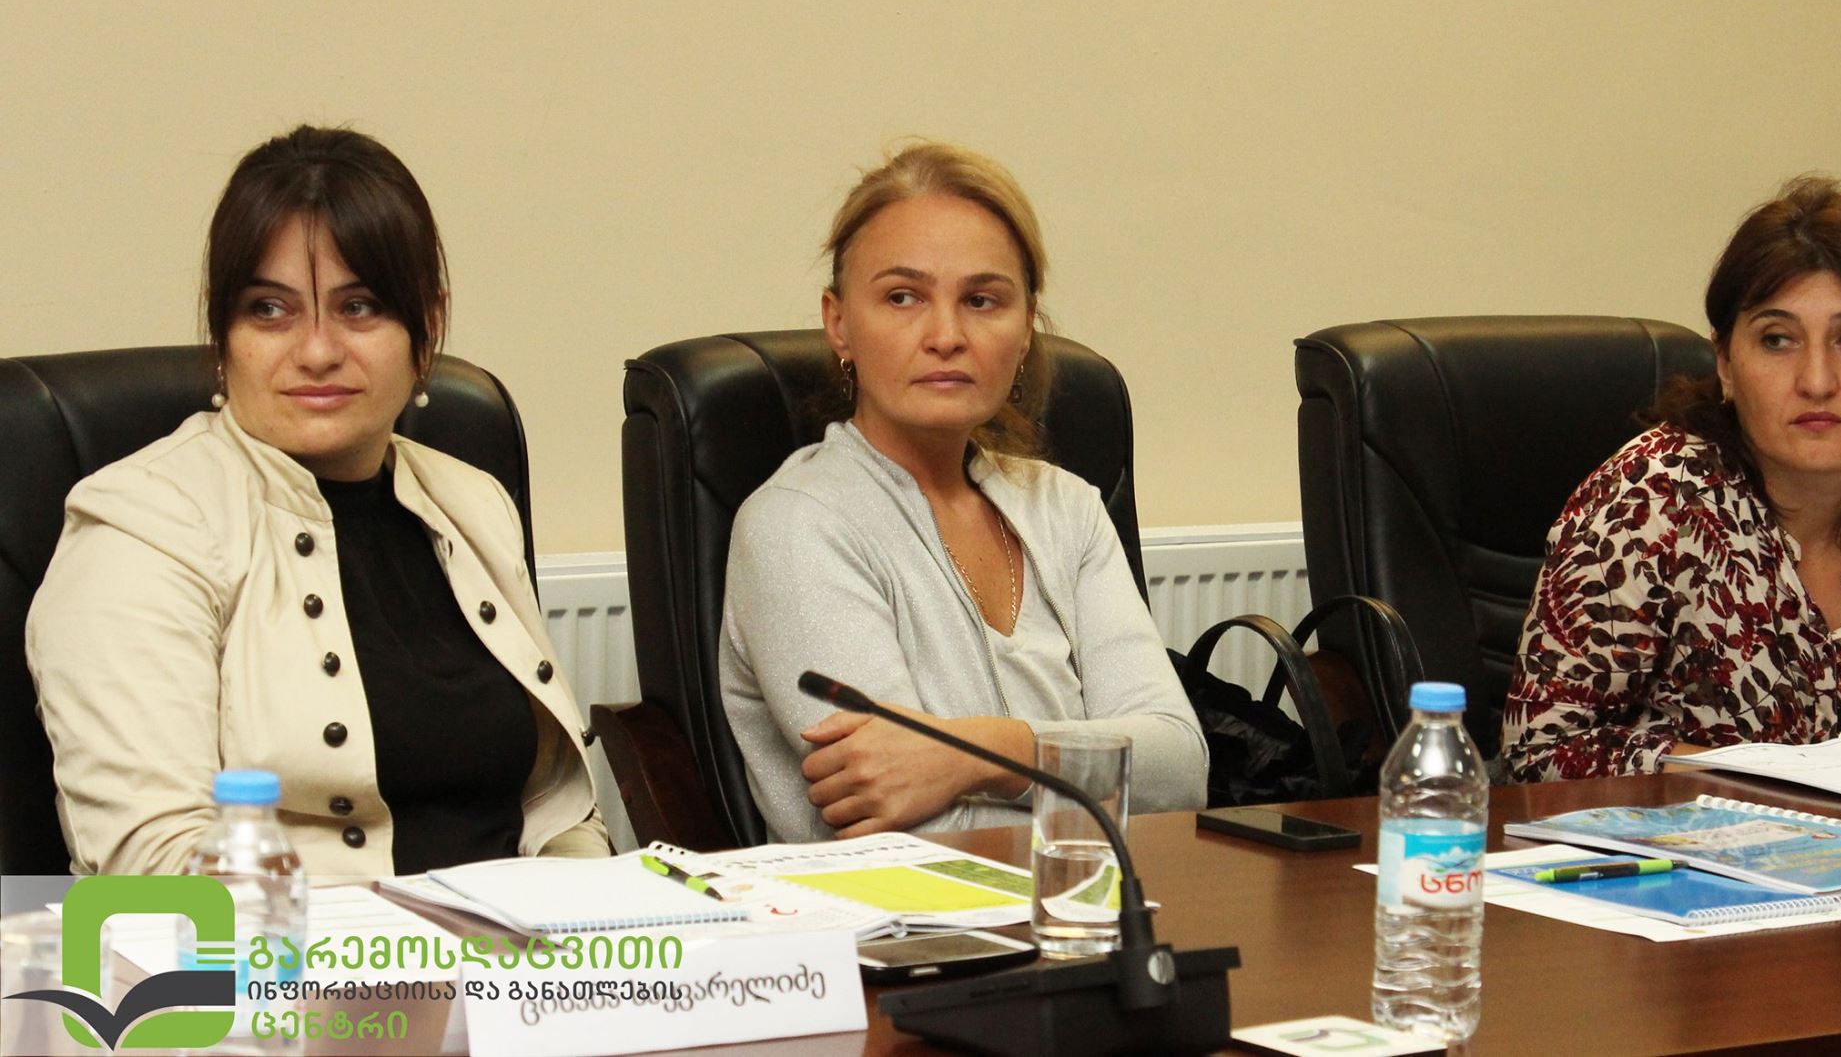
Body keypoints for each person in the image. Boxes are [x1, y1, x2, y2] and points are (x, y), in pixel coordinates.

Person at [27, 126, 606, 876]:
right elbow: (152, 863)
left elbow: (555, 806)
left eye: (359, 306)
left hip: (526, 944)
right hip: (282, 948)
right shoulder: (138, 529)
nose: (318, 350)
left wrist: (601, 915)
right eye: (270, 309)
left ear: (427, 328)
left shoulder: (474, 502)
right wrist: (417, 947)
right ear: (223, 334)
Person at [720, 142, 1207, 842]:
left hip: (1100, 900)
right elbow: (918, 835)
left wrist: (972, 753)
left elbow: (1181, 770)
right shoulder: (796, 525)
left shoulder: (1068, 508)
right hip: (897, 911)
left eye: (982, 300)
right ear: (839, 324)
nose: (946, 335)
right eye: (902, 297)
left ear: (1026, 328)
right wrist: (1090, 772)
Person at [1502, 176, 1841, 782]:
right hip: (1673, 841)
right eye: (1777, 340)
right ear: (1726, 364)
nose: (1816, 381)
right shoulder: (1650, 502)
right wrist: (1766, 781)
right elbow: (1540, 753)